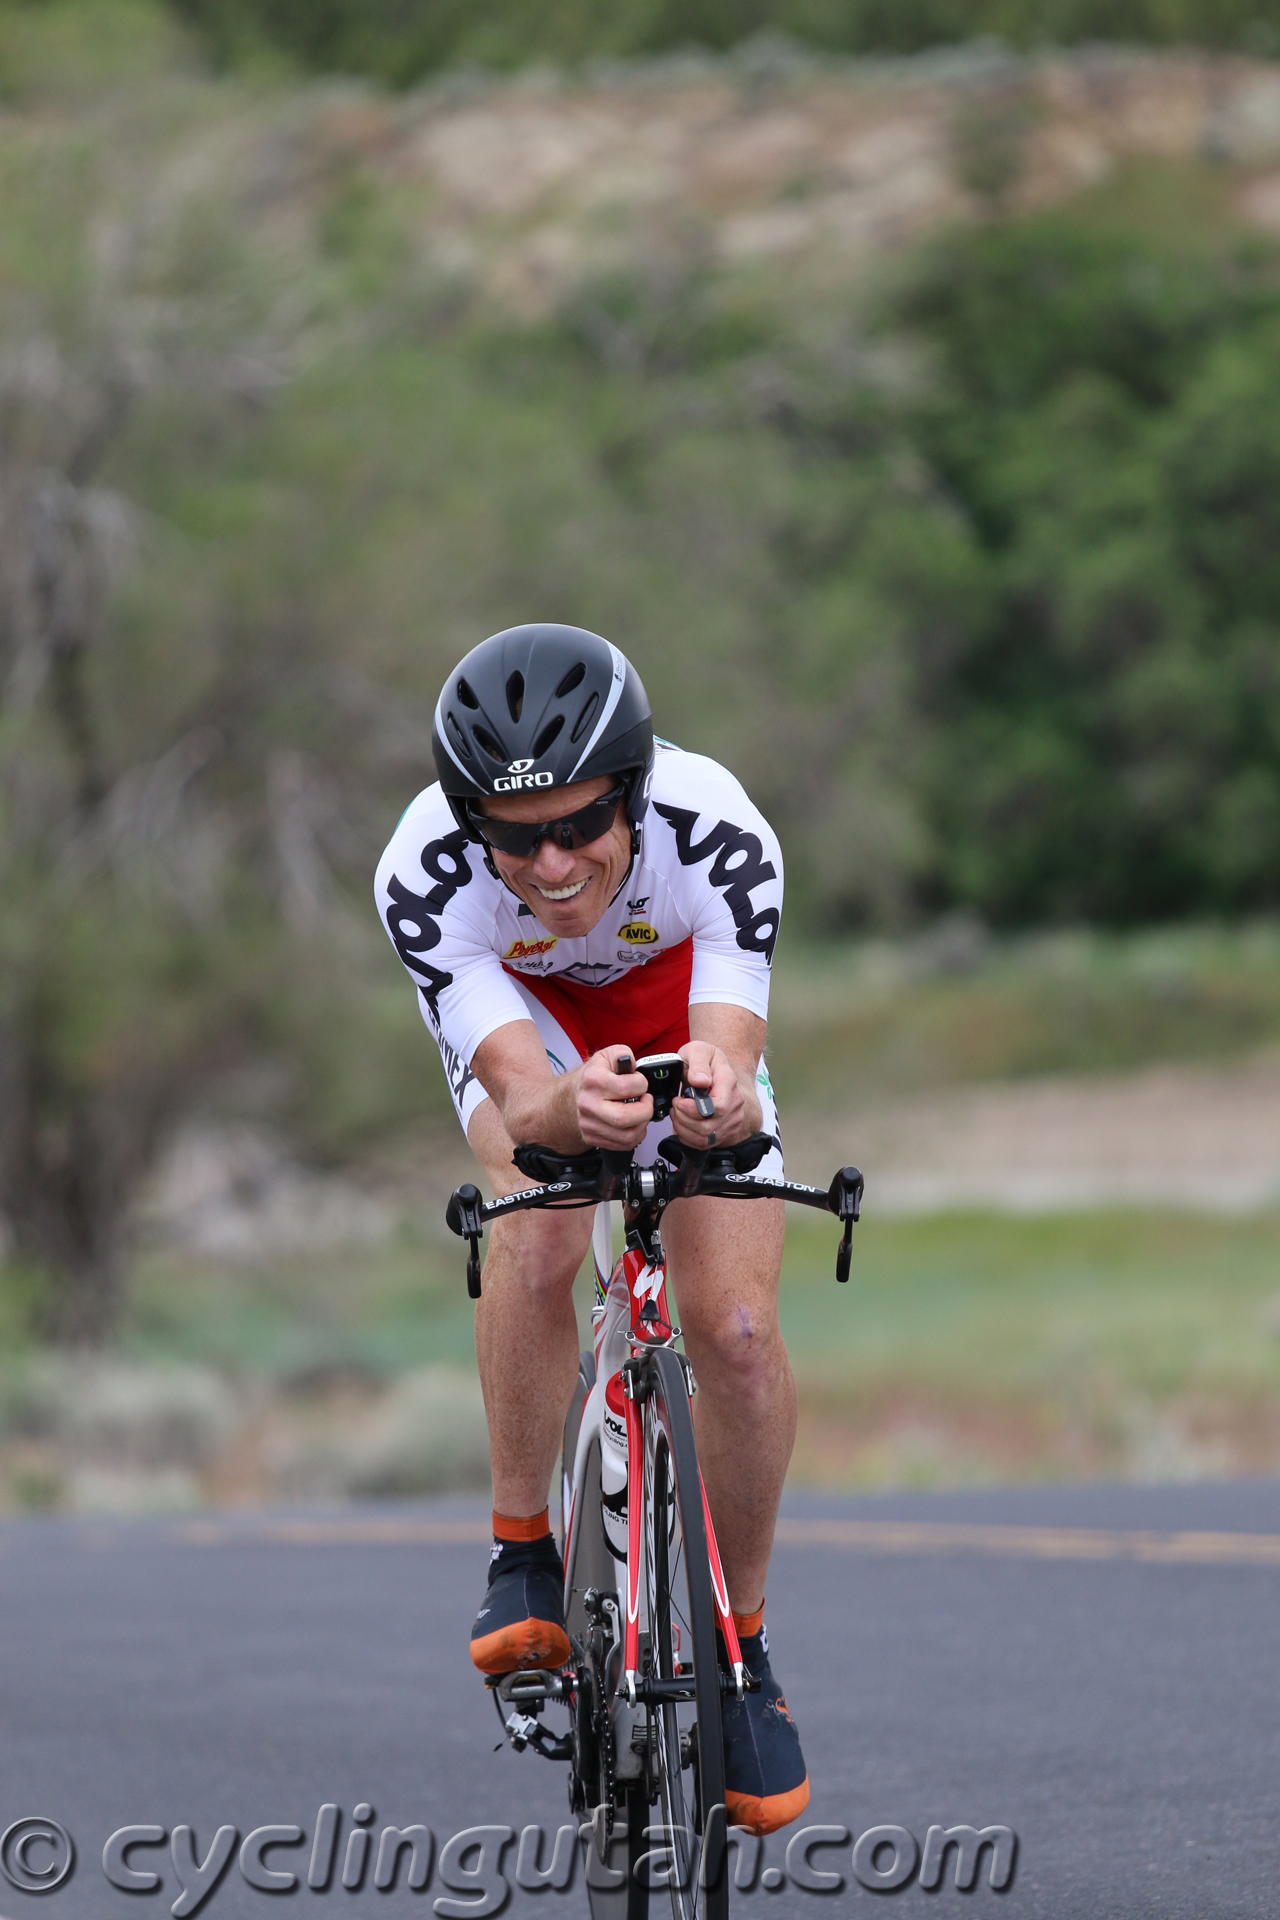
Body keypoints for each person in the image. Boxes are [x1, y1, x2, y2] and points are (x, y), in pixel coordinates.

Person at [375, 622, 806, 1834]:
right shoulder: (422, 869)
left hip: (679, 1016)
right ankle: (523, 1549)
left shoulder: (716, 829)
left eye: (578, 826)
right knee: (541, 1223)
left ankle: (742, 1650)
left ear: (633, 790)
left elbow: (727, 1045)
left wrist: (710, 1103)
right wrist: (569, 1106)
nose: (551, 864)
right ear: (471, 823)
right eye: (514, 838)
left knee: (730, 1326)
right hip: (533, 1035)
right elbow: (515, 1093)